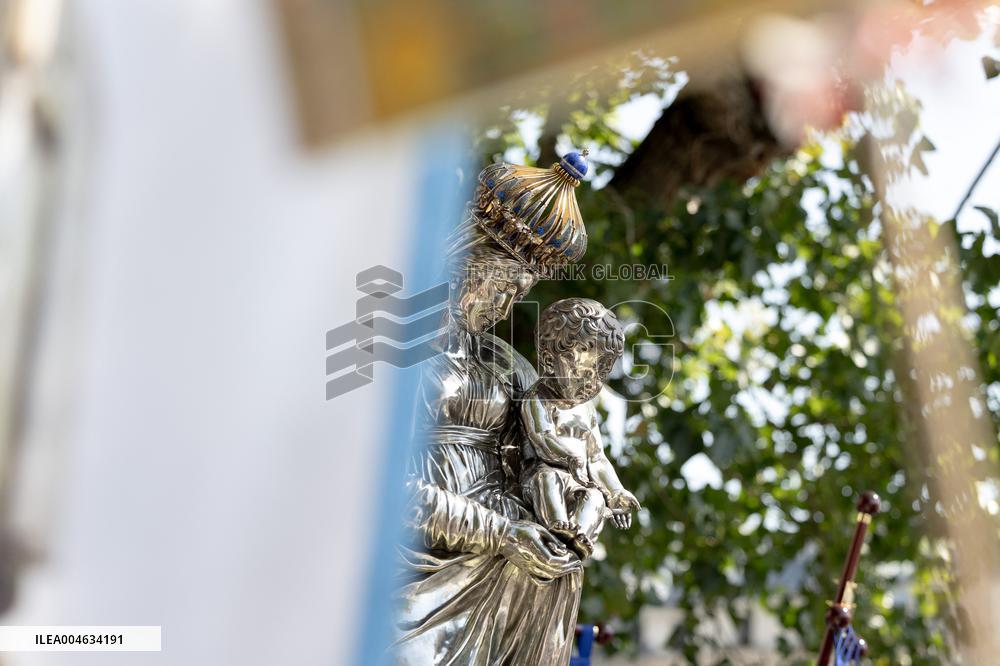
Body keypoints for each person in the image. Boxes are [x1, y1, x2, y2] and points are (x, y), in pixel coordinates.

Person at [394, 151, 595, 665]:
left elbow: (558, 447)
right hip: (423, 548)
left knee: (557, 566)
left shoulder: (502, 361)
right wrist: (500, 533)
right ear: (470, 260)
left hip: (509, 552)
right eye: (504, 287)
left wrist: (578, 508)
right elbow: (381, 481)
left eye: (520, 294)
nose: (506, 308)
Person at [520, 298, 640, 559]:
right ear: (550, 361)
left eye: (598, 376)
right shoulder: (538, 398)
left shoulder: (586, 411)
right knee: (547, 479)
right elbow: (541, 437)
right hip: (544, 473)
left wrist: (615, 492)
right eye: (583, 374)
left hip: (578, 483)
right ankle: (556, 525)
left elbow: (598, 459)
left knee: (595, 498)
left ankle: (580, 536)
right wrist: (568, 456)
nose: (591, 383)